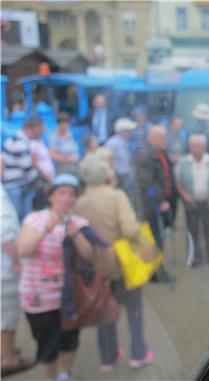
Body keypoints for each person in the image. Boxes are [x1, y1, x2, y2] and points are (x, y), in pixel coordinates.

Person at [74, 158, 154, 372]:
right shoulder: (116, 196)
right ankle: (138, 353)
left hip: (96, 267)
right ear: (105, 174)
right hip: (121, 264)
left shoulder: (79, 202)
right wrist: (139, 231)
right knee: (134, 310)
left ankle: (107, 358)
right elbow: (129, 229)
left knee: (104, 311)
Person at [17, 174, 94, 381]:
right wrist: (46, 228)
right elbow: (23, 251)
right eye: (61, 193)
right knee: (47, 345)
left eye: (71, 194)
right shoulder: (34, 219)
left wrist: (75, 233)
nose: (66, 198)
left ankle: (65, 375)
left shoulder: (80, 222)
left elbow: (88, 256)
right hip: (39, 297)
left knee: (70, 339)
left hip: (70, 296)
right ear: (51, 196)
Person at [175, 135, 209, 267]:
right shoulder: (183, 162)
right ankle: (195, 257)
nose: (195, 149)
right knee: (192, 231)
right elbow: (178, 182)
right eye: (193, 146)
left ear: (204, 147)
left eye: (198, 146)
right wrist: (184, 194)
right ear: (189, 148)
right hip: (191, 202)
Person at [1, 184, 35, 377]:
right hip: (4, 269)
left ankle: (6, 350)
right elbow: (5, 234)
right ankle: (8, 359)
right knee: (7, 315)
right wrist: (17, 263)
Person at [134, 125, 177, 251]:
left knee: (160, 236)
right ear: (151, 139)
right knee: (154, 239)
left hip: (164, 201)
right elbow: (147, 183)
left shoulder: (162, 152)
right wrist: (160, 202)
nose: (166, 140)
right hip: (151, 205)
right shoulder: (144, 156)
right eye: (163, 138)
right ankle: (157, 269)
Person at [2, 118, 45, 221]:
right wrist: (39, 180)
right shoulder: (18, 142)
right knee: (15, 216)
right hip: (14, 185)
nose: (43, 131)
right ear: (33, 129)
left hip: (23, 184)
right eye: (41, 128)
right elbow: (27, 168)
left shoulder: (23, 140)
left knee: (26, 217)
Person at [105, 118, 137, 193]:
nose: (131, 133)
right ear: (122, 132)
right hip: (118, 178)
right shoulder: (112, 144)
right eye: (129, 131)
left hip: (126, 176)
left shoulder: (125, 142)